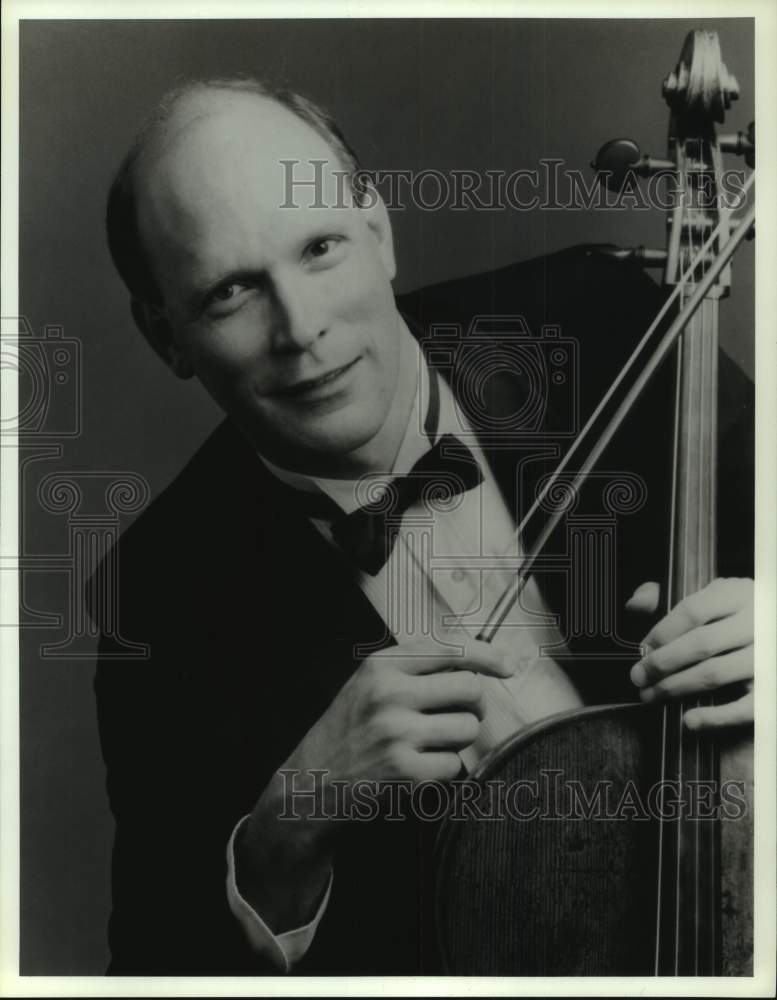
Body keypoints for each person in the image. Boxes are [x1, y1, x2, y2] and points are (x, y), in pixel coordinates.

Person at [91, 77, 755, 975]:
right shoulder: (159, 594)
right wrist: (285, 831)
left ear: (379, 232)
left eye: (319, 248)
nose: (302, 328)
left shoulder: (602, 322)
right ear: (164, 336)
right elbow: (151, 968)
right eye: (230, 293)